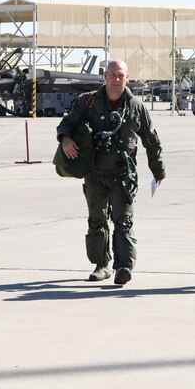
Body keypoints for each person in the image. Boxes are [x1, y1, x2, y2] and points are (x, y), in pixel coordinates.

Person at [57, 59, 165, 285]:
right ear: (104, 76)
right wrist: (65, 139)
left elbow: (151, 140)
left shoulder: (136, 106)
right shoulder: (87, 102)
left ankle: (123, 267)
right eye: (112, 75)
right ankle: (102, 265)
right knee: (97, 220)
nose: (116, 79)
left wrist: (158, 171)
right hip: (94, 174)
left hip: (123, 175)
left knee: (123, 220)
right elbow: (66, 124)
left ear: (128, 78)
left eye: (121, 75)